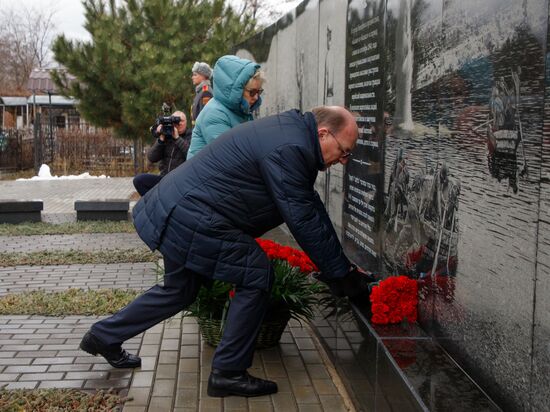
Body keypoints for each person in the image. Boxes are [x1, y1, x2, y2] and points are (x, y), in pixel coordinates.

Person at [79, 106, 374, 398]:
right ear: (323, 133)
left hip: (183, 208)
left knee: (179, 290)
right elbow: (304, 218)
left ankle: (104, 336)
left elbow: (309, 206)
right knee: (255, 273)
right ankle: (228, 372)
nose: (344, 161)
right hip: (193, 214)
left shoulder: (292, 135)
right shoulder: (291, 146)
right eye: (344, 151)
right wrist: (342, 276)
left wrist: (342, 269)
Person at [186, 54, 264, 159]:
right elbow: (230, 158)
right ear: (237, 90)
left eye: (259, 91)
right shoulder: (214, 113)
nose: (256, 97)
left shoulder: (208, 94)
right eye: (252, 92)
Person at [132, 111, 192, 196]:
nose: (179, 124)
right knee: (139, 180)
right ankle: (153, 205)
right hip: (164, 178)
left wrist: (177, 138)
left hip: (180, 181)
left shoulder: (191, 136)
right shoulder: (166, 136)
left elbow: (191, 154)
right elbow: (152, 158)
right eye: (175, 121)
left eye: (181, 121)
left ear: (186, 122)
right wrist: (161, 140)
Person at [190, 61, 213, 126]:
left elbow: (205, 117)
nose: (192, 77)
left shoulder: (206, 92)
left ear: (203, 76)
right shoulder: (201, 91)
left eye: (195, 75)